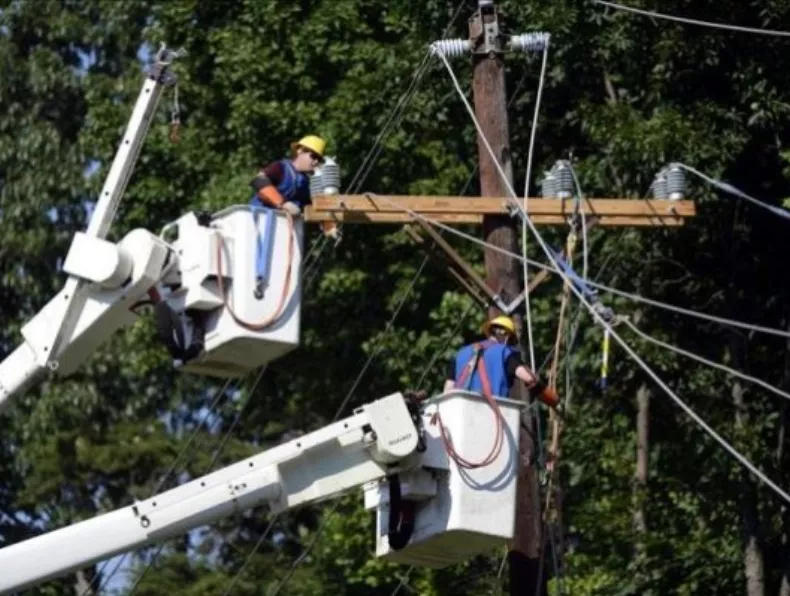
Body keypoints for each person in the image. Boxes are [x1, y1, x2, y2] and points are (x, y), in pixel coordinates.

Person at [444, 315, 560, 408]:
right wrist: (552, 400)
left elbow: (448, 390)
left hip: (460, 416)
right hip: (491, 413)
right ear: (508, 336)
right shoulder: (504, 351)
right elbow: (528, 378)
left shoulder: (460, 354)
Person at [249, 134, 338, 239]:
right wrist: (283, 204)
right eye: (313, 156)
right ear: (300, 151)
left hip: (282, 231)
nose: (315, 162)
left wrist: (327, 224)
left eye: (319, 159)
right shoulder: (281, 167)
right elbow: (259, 181)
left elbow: (311, 209)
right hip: (258, 224)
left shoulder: (307, 183)